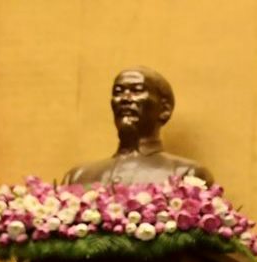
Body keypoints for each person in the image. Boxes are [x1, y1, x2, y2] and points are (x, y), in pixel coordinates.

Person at [63, 67, 211, 186]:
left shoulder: (186, 174)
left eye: (137, 90)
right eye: (118, 92)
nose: (125, 99)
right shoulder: (78, 177)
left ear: (164, 109)